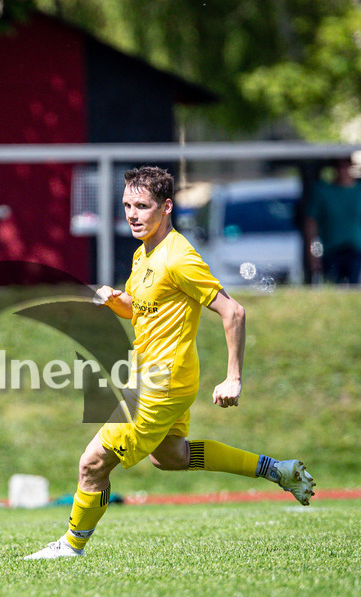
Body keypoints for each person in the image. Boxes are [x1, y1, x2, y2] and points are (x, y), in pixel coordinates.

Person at [25, 166, 315, 560]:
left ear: (166, 207)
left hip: (160, 383)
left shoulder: (180, 257)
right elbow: (141, 308)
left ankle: (71, 545)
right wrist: (116, 301)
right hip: (161, 377)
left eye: (142, 206)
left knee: (92, 463)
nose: (132, 215)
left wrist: (233, 377)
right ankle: (277, 470)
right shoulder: (143, 251)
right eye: (127, 205)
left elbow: (234, 312)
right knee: (170, 457)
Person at [304, 157, 361, 284]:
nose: (343, 171)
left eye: (346, 166)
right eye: (339, 167)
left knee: (356, 285)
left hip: (357, 249)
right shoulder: (322, 192)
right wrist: (312, 254)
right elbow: (311, 223)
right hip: (331, 249)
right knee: (332, 284)